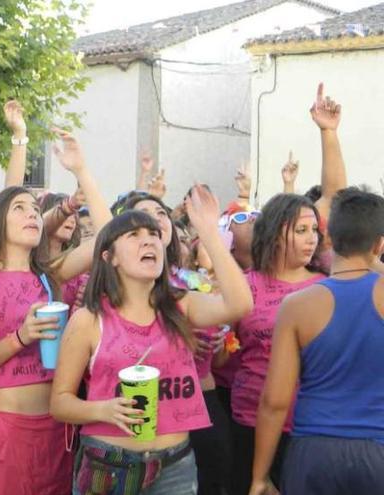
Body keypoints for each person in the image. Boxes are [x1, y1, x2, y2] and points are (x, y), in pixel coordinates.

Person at [51, 186, 253, 495]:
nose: (149, 239)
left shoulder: (181, 305)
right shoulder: (89, 320)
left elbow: (239, 305)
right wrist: (103, 410)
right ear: (110, 257)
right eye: (133, 235)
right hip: (108, 465)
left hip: (175, 466)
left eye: (154, 234)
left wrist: (210, 234)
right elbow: (60, 402)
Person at [0, 130, 110, 495]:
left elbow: (109, 236)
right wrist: (21, 337)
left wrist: (82, 171)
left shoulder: (50, 275)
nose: (32, 216)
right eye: (19, 208)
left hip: (57, 430)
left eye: (34, 210)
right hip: (7, 432)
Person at [250, 188, 384, 495]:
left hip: (314, 450)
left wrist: (260, 477)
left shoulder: (297, 306)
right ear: (379, 243)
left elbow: (274, 402)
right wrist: (373, 258)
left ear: (329, 239)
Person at [229, 194, 326, 495]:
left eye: (314, 231)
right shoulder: (245, 284)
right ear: (275, 232)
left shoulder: (325, 286)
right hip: (250, 418)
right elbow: (221, 360)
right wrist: (216, 343)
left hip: (307, 424)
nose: (311, 239)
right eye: (301, 231)